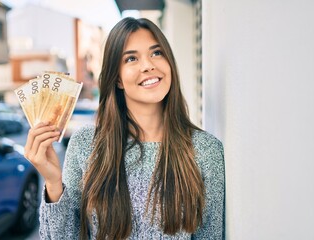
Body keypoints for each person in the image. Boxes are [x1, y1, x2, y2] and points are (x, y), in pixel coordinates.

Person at [24, 17, 225, 240]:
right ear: (117, 79)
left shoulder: (206, 150)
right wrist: (53, 183)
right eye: (131, 58)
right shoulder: (86, 144)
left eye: (157, 53)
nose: (148, 65)